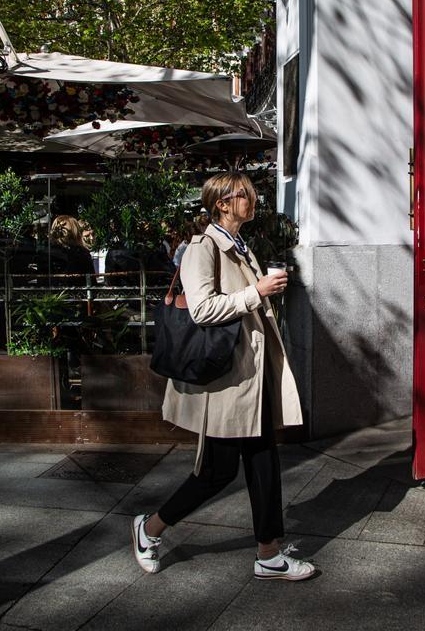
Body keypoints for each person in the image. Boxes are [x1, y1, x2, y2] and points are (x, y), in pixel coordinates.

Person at [131, 172, 315, 581]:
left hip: (250, 377)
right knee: (216, 472)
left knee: (264, 462)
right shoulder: (204, 246)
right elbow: (202, 309)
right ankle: (150, 528)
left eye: (250, 192)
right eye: (243, 194)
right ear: (221, 204)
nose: (251, 198)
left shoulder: (241, 246)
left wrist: (263, 292)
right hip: (226, 381)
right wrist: (258, 292)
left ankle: (268, 554)